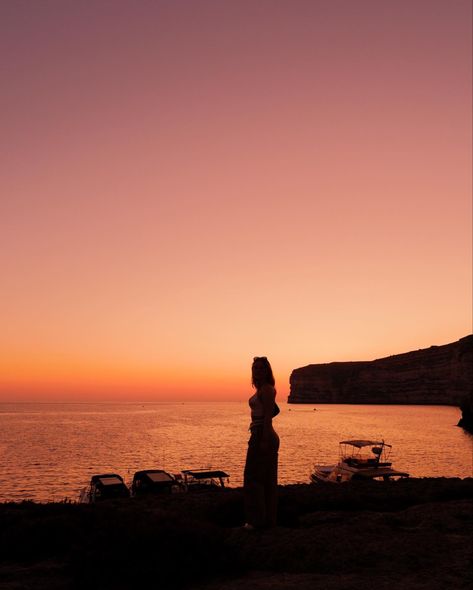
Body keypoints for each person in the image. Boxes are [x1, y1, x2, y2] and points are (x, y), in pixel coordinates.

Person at [243, 356, 280, 529]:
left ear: (267, 370)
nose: (257, 371)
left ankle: (256, 521)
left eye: (261, 368)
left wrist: (263, 439)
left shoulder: (266, 390)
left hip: (262, 434)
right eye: (255, 368)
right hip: (260, 433)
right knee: (267, 480)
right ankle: (268, 521)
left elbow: (267, 417)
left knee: (253, 478)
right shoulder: (264, 390)